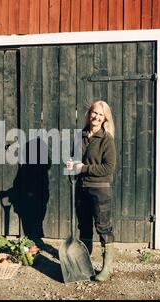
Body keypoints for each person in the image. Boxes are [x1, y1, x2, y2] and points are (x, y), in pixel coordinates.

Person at [66, 100, 116, 282]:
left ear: (104, 119)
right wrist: (70, 164)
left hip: (100, 190)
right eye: (94, 113)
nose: (96, 117)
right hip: (81, 188)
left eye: (100, 115)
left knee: (103, 227)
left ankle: (106, 268)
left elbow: (108, 168)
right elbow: (74, 158)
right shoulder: (80, 136)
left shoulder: (106, 139)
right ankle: (84, 265)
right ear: (89, 114)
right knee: (84, 227)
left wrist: (83, 168)